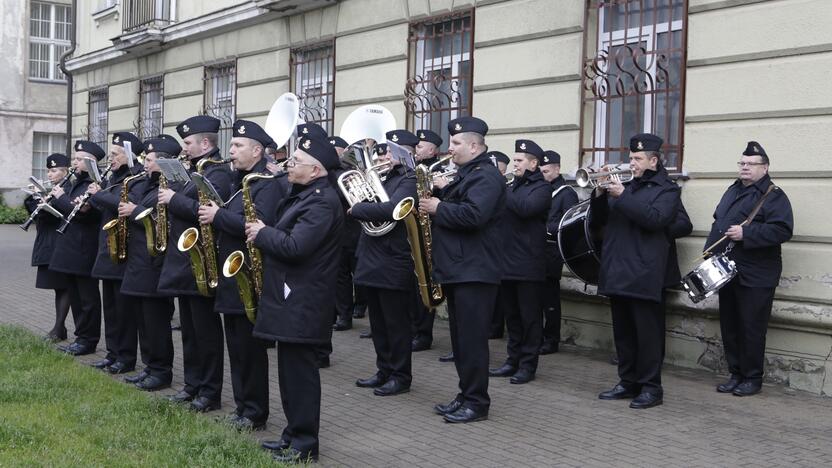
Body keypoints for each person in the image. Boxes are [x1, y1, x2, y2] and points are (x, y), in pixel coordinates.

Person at [247, 135, 343, 463]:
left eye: (296, 161)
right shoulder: (304, 195)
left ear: (316, 170)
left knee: (300, 376)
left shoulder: (321, 202)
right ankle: (292, 434)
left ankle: (305, 444)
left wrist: (262, 233)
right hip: (291, 298)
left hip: (304, 300)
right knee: (289, 373)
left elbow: (296, 247)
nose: (290, 165)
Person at [418, 116, 505, 424]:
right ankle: (466, 393)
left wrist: (438, 207)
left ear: (473, 145)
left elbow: (475, 215)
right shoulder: (468, 174)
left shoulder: (487, 176)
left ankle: (477, 402)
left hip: (476, 271)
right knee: (460, 340)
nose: (450, 148)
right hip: (460, 268)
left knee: (472, 341)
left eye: (455, 143)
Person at [198, 120, 284, 426]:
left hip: (252, 275)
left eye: (237, 146)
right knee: (236, 349)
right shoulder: (240, 180)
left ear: (257, 150)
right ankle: (242, 407)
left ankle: (255, 412)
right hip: (233, 277)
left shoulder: (267, 184)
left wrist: (218, 216)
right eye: (231, 145)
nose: (231, 151)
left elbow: (258, 226)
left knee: (249, 352)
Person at [592, 133, 682, 409]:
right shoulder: (625, 186)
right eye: (630, 158)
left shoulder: (667, 190)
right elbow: (598, 221)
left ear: (653, 160)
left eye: (637, 158)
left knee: (648, 334)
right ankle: (627, 381)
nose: (631, 163)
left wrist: (622, 195)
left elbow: (655, 220)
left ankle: (651, 387)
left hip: (645, 273)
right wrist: (598, 192)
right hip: (618, 269)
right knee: (624, 333)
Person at [707, 141, 793, 397]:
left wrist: (747, 233)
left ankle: (752, 378)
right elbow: (718, 222)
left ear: (764, 168)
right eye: (742, 163)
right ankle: (736, 374)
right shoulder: (732, 190)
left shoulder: (775, 195)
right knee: (730, 326)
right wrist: (710, 254)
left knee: (751, 328)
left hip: (757, 274)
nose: (744, 168)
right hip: (728, 270)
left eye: (750, 164)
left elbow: (782, 230)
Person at [157, 115, 231, 408]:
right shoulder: (193, 168)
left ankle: (210, 392)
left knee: (206, 333)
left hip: (203, 260)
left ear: (204, 142)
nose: (184, 148)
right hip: (186, 261)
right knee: (189, 330)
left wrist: (173, 199)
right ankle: (193, 384)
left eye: (187, 143)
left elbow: (207, 209)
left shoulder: (218, 172)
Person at [351, 129, 418, 397]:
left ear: (404, 153)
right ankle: (384, 370)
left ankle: (401, 375)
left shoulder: (409, 179)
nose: (384, 155)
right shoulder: (384, 177)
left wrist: (358, 210)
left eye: (390, 150)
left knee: (396, 324)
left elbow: (393, 209)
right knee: (378, 323)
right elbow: (367, 200)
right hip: (372, 257)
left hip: (394, 258)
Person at [489, 139, 551, 385]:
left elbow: (525, 209)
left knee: (530, 318)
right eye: (514, 160)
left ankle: (528, 365)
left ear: (534, 163)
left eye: (519, 161)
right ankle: (512, 360)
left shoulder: (542, 189)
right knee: (512, 317)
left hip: (528, 264)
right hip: (506, 261)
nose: (514, 164)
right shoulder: (513, 186)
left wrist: (501, 187)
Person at [86, 132, 145, 374]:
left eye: (115, 154)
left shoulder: (136, 177)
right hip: (108, 249)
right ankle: (112, 353)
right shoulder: (114, 177)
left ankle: (126, 357)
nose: (110, 158)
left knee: (124, 311)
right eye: (110, 154)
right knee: (110, 309)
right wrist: (94, 197)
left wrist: (99, 195)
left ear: (129, 154)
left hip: (125, 252)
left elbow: (126, 206)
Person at [118, 144, 176, 391]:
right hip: (138, 262)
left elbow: (165, 223)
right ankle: (149, 367)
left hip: (154, 263)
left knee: (156, 323)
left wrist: (135, 210)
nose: (145, 164)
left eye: (150, 160)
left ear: (163, 163)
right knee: (143, 321)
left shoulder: (169, 186)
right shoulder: (148, 184)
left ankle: (161, 371)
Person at [50, 141, 104, 356]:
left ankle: (88, 339)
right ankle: (81, 336)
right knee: (75, 296)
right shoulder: (76, 182)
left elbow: (83, 215)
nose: (74, 162)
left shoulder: (95, 183)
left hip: (84, 248)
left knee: (87, 299)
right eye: (74, 158)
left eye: (79, 159)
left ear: (91, 161)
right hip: (69, 248)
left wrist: (61, 198)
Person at [24, 153, 73, 342]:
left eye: (54, 171)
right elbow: (40, 218)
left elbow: (65, 213)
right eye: (48, 171)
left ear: (65, 171)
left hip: (61, 243)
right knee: (57, 287)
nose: (50, 174)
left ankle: (58, 328)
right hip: (47, 243)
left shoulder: (68, 189)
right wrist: (33, 200)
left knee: (64, 287)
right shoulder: (51, 189)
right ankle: (59, 328)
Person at [539, 150, 579, 354]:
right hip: (536, 250)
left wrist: (544, 228)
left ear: (557, 169)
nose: (543, 174)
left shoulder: (566, 193)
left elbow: (569, 222)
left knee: (549, 298)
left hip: (552, 251)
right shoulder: (541, 189)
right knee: (536, 298)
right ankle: (537, 336)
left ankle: (551, 339)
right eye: (541, 171)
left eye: (546, 171)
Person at [411, 129, 444, 352]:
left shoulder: (439, 171)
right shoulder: (412, 169)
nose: (416, 149)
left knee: (428, 283)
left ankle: (424, 334)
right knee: (415, 286)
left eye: (421, 146)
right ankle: (414, 330)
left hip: (432, 232)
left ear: (432, 149)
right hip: (415, 231)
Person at [487, 150, 512, 342]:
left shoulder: (508, 188)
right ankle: (491, 327)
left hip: (504, 245)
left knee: (501, 293)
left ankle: (496, 328)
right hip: (489, 245)